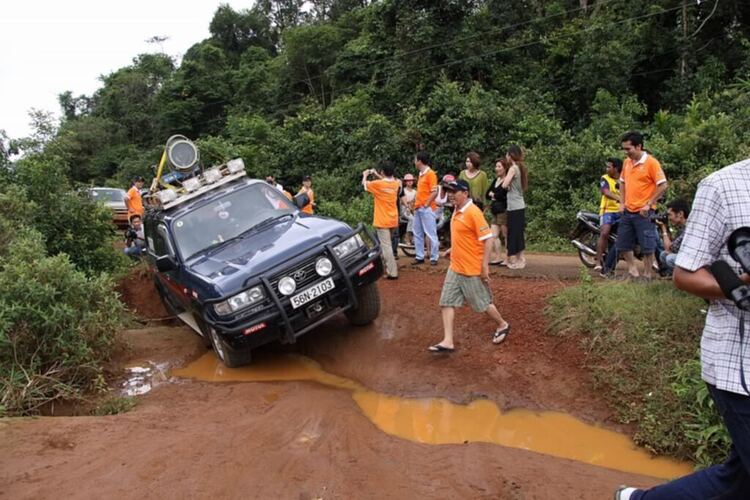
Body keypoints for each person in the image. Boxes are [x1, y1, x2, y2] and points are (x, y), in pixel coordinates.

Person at [614, 159, 750, 500]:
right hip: (739, 367)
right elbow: (685, 273)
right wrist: (740, 287)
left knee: (738, 480)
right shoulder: (723, 187)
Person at [427, 179, 510, 352]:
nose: (450, 195)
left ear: (465, 193)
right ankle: (448, 341)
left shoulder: (473, 212)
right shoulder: (457, 210)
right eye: (448, 191)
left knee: (482, 304)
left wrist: (484, 267)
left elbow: (486, 240)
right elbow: (465, 236)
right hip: (455, 267)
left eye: (454, 192)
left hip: (470, 269)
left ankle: (502, 324)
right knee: (446, 302)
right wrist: (452, 248)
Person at [616, 131, 668, 280]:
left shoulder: (651, 163)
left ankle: (647, 275)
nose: (626, 152)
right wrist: (622, 203)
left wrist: (649, 203)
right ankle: (633, 271)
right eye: (624, 149)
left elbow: (663, 185)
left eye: (628, 149)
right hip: (628, 210)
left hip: (644, 213)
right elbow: (623, 183)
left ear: (638, 146)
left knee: (647, 245)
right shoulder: (627, 162)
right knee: (623, 243)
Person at [362, 162, 400, 280]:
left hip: (382, 220)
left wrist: (365, 175)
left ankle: (392, 272)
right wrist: (376, 174)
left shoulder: (378, 184)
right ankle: (388, 266)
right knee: (387, 244)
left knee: (386, 246)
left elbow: (365, 185)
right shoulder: (396, 184)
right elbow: (386, 181)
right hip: (393, 220)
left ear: (383, 172)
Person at [502, 145, 528, 269]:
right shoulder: (520, 168)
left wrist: (506, 183)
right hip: (517, 205)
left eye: (507, 154)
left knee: (515, 233)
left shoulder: (513, 168)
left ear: (511, 155)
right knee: (517, 233)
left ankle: (521, 259)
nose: (506, 157)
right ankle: (517, 259)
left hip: (515, 206)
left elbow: (504, 184)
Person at [595, 158, 623, 272]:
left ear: (616, 169)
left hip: (621, 211)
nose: (606, 169)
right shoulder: (604, 178)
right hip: (607, 211)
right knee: (605, 232)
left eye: (609, 167)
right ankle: (598, 260)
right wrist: (620, 199)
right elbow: (606, 192)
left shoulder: (623, 179)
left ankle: (610, 266)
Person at [412, 151, 439, 265]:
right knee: (417, 232)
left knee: (430, 233)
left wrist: (426, 204)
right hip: (419, 207)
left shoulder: (430, 174)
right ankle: (420, 256)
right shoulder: (421, 174)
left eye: (415, 160)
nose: (414, 162)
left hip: (426, 208)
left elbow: (434, 191)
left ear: (419, 161)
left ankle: (434, 257)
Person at [486, 158, 509, 266]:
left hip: (503, 211)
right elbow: (487, 194)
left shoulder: (507, 181)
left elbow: (502, 195)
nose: (497, 168)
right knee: (493, 235)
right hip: (495, 210)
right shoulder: (496, 180)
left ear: (505, 168)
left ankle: (508, 258)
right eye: (496, 166)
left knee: (505, 235)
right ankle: (498, 256)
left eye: (499, 166)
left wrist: (494, 195)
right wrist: (495, 195)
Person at [656, 198, 689, 272]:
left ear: (680, 214)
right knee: (663, 255)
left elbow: (669, 248)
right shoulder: (681, 227)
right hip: (686, 255)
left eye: (670, 215)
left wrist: (663, 229)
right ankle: (675, 275)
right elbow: (671, 246)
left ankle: (685, 277)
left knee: (670, 258)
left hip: (693, 259)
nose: (668, 218)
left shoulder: (688, 228)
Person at [400, 173, 417, 245]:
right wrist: (408, 206)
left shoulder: (415, 192)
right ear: (405, 182)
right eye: (408, 181)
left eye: (411, 180)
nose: (410, 182)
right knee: (412, 219)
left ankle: (415, 237)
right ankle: (407, 236)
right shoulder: (403, 191)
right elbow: (402, 201)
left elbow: (415, 201)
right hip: (404, 209)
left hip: (412, 208)